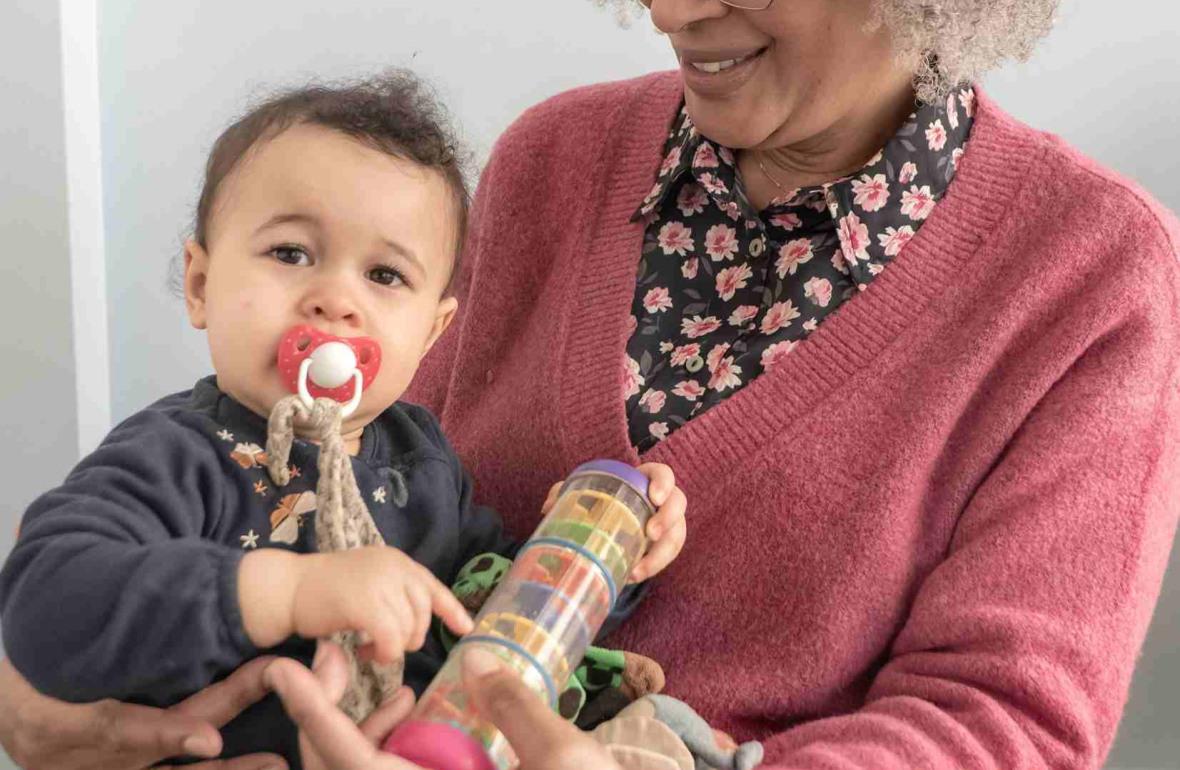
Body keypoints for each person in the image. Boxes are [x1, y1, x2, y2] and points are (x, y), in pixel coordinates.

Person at [4, 0, 1179, 768]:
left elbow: (1003, 727)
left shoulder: (1090, 274)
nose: (670, 9)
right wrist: (58, 689)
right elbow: (389, 517)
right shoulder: (547, 161)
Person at [0, 70, 686, 769]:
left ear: (432, 333)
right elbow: (45, 605)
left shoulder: (424, 461)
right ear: (202, 285)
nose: (334, 300)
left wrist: (602, 552)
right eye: (290, 253)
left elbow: (493, 613)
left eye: (384, 276)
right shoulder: (176, 455)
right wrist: (287, 592)